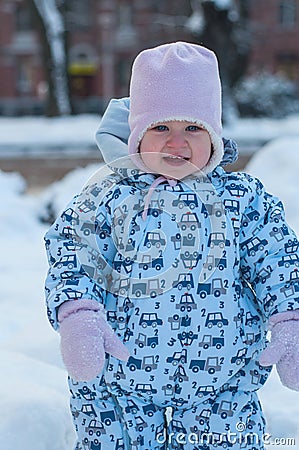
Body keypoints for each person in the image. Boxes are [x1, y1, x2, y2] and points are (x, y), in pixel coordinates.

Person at [44, 42, 299, 450]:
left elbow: (278, 258)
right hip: (119, 380)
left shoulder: (242, 199)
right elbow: (74, 257)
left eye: (192, 128)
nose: (176, 143)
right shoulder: (109, 198)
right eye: (161, 128)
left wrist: (289, 320)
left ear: (214, 134)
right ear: (137, 133)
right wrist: (78, 317)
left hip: (220, 383)